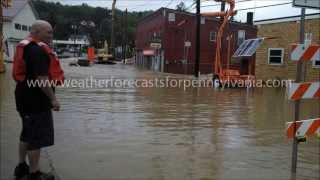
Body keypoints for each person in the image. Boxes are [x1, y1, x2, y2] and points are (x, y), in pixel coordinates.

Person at [12, 20, 64, 180]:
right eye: (48, 32)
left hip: (23, 98)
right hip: (36, 102)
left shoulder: (26, 47)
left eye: (51, 32)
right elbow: (42, 79)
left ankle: (21, 167)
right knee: (36, 138)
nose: (51, 35)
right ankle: (34, 174)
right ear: (36, 32)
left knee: (26, 133)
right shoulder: (37, 51)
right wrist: (53, 99)